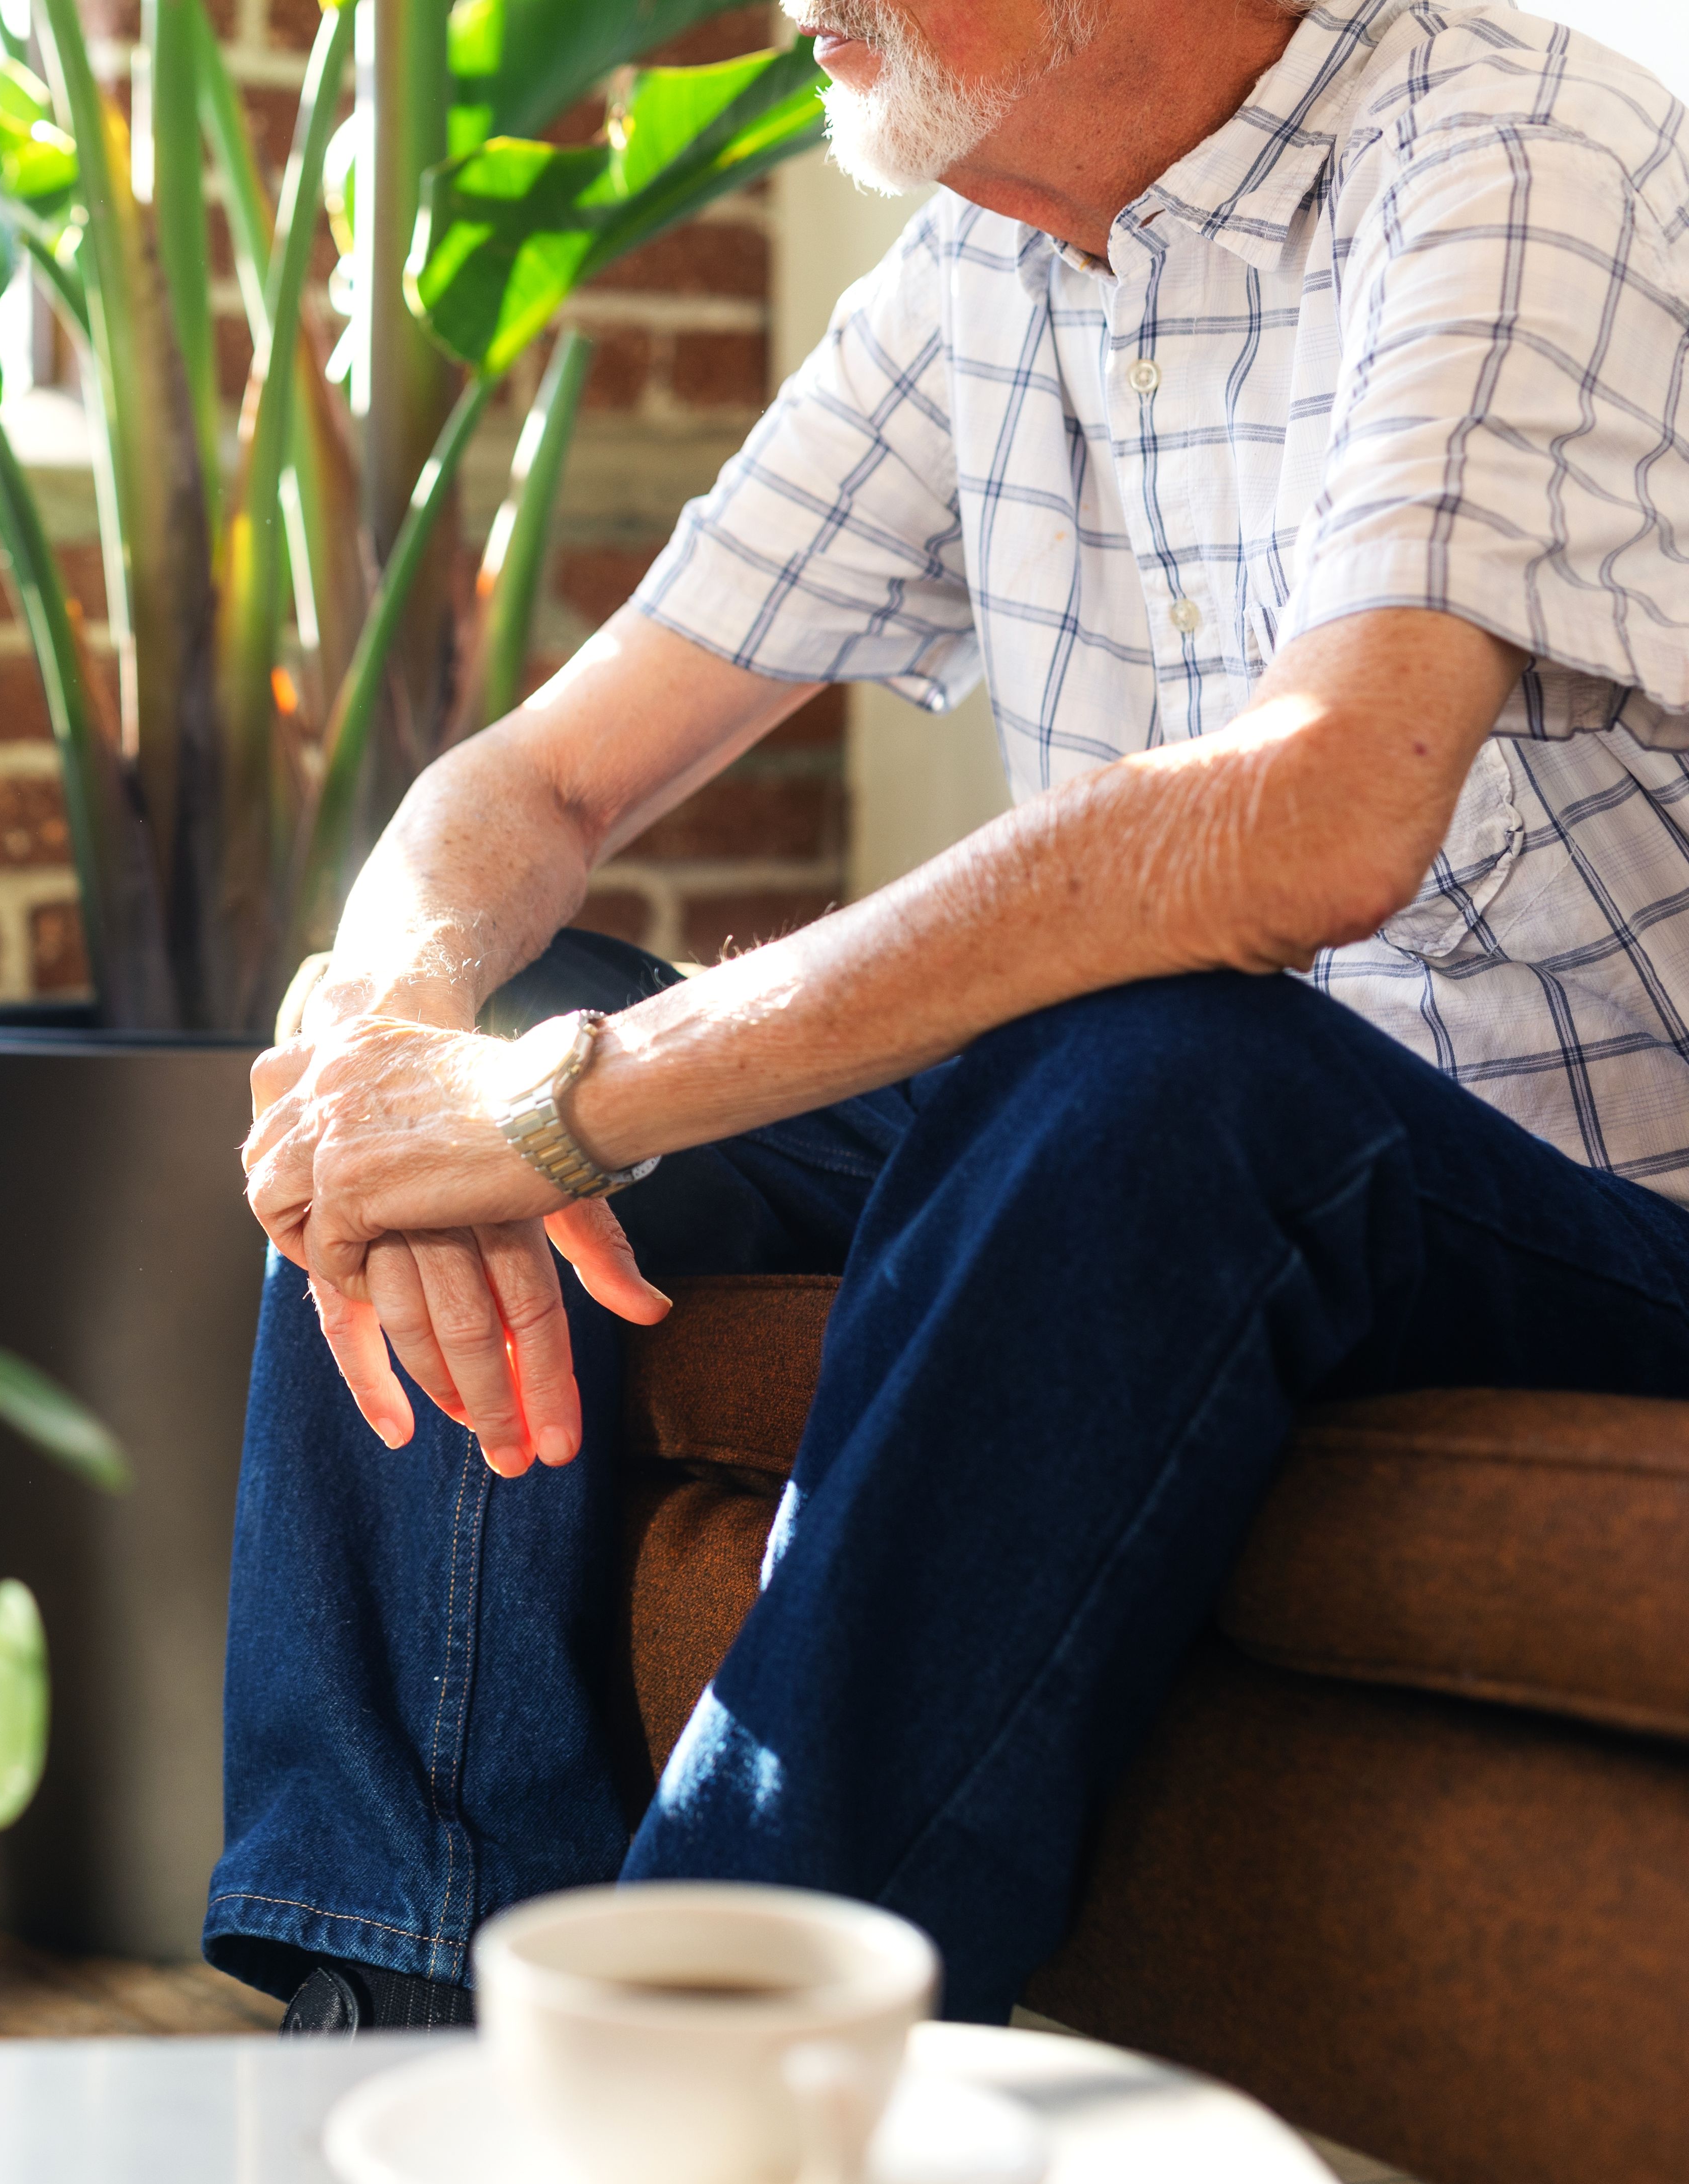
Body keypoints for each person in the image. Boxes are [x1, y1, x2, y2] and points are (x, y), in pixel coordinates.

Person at [218, 0, 1689, 2032]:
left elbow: (1316, 818)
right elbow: (535, 786)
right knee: (479, 1016)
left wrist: (565, 1108)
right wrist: (400, 1035)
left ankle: (698, 2092)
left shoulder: (1520, 152)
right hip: (1150, 1154)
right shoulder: (992, 266)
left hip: (1592, 1223)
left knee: (1152, 1058)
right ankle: (396, 2028)